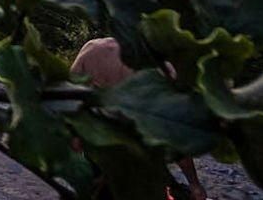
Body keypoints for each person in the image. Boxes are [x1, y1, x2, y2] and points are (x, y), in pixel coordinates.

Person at [71, 38, 207, 200]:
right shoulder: (164, 71)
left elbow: (72, 106)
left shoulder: (92, 49)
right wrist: (194, 184)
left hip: (100, 148)